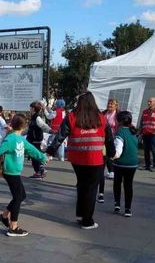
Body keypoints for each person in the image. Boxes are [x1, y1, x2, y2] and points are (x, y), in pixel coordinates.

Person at [47, 92, 114, 229]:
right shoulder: (101, 118)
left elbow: (60, 136)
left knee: (82, 185)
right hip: (96, 159)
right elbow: (109, 138)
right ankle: (87, 221)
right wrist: (112, 153)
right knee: (91, 189)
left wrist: (50, 151)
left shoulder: (71, 117)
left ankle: (80, 214)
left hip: (77, 159)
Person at [0, 114, 48, 237]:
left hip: (15, 172)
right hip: (10, 171)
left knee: (21, 195)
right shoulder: (11, 139)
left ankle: (4, 216)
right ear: (25, 125)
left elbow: (31, 149)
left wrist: (42, 157)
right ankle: (13, 227)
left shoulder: (21, 139)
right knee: (18, 197)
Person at [112, 111, 139, 217]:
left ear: (119, 121)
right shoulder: (133, 132)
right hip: (133, 163)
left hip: (121, 163)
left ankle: (117, 204)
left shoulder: (120, 133)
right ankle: (128, 209)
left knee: (117, 183)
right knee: (128, 185)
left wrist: (111, 156)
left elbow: (118, 151)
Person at [97, 98, 119, 204]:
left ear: (116, 105)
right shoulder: (103, 113)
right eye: (109, 103)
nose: (109, 105)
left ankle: (112, 171)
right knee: (104, 159)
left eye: (112, 104)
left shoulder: (118, 115)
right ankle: (110, 171)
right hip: (103, 140)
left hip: (114, 138)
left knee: (111, 155)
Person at [27, 101, 51, 179]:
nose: (29, 109)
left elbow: (43, 126)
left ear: (33, 109)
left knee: (36, 157)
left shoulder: (37, 118)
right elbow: (29, 129)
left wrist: (50, 130)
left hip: (36, 140)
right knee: (34, 157)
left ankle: (41, 170)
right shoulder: (33, 117)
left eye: (30, 108)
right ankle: (38, 172)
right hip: (32, 140)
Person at [139, 97, 155, 171]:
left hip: (153, 134)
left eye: (150, 101)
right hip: (145, 133)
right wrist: (140, 131)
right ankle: (147, 165)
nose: (148, 103)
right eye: (148, 101)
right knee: (146, 150)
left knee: (154, 150)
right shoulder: (144, 111)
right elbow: (141, 123)